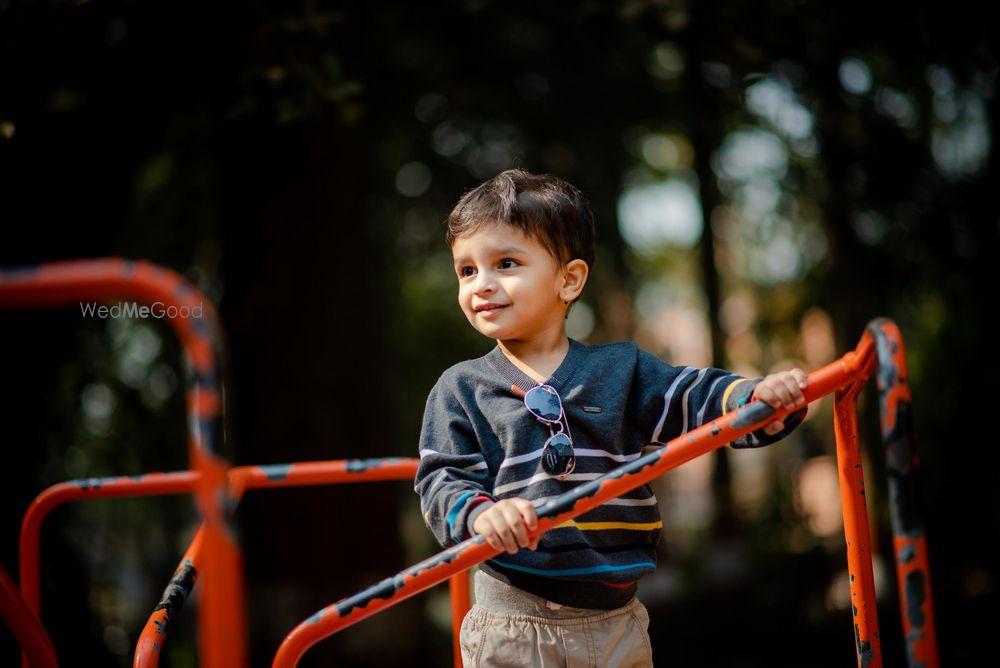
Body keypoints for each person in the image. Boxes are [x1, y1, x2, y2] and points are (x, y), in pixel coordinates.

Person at [414, 169, 807, 667]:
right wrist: (481, 513)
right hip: (512, 622)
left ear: (569, 279)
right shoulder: (462, 388)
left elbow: (693, 397)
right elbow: (441, 479)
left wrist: (757, 398)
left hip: (614, 622)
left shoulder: (620, 370)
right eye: (466, 271)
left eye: (505, 263)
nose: (482, 285)